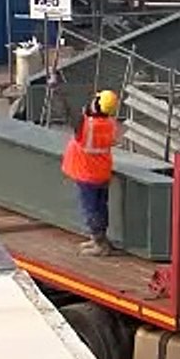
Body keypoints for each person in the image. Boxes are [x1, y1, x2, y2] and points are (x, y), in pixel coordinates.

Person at [61, 89, 120, 256]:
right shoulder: (109, 123)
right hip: (102, 172)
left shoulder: (86, 125)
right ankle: (99, 240)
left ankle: (100, 245)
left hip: (88, 175)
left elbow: (68, 113)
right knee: (101, 207)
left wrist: (57, 90)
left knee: (91, 209)